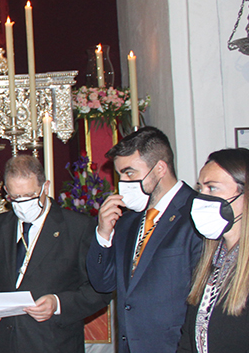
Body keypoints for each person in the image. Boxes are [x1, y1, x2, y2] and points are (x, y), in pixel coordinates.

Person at [0, 156, 109, 353]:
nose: (22, 204)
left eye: (29, 195)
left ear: (46, 187)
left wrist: (58, 303)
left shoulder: (78, 227)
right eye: (15, 198)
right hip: (6, 343)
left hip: (53, 343)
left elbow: (99, 290)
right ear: (6, 191)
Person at [86, 126, 204, 353]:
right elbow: (103, 283)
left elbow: (201, 300)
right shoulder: (128, 222)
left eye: (130, 173)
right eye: (120, 175)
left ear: (159, 168)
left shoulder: (196, 214)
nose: (123, 182)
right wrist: (103, 234)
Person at [177, 148, 249, 352]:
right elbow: (189, 338)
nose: (201, 198)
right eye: (200, 188)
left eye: (212, 188)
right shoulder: (212, 259)